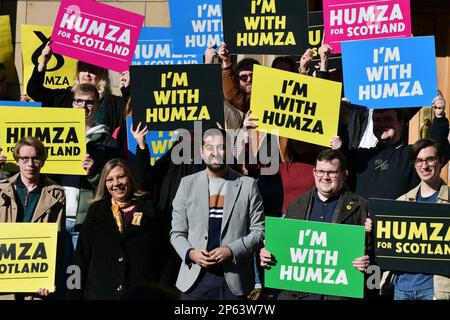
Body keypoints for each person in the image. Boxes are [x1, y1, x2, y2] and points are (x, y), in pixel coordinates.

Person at [259, 149, 371, 300]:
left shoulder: (361, 207)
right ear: (314, 173)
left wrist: (366, 261)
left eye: (332, 172)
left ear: (344, 175)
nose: (325, 177)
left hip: (338, 295)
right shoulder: (295, 205)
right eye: (320, 171)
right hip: (296, 294)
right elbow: (284, 250)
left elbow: (373, 254)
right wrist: (268, 253)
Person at [170, 127, 265, 300]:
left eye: (221, 147)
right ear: (201, 151)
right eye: (209, 147)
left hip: (234, 281)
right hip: (194, 280)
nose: (215, 152)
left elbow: (259, 231)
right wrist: (190, 253)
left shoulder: (248, 185)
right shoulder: (186, 184)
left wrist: (231, 250)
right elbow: (177, 232)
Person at [68, 158, 170, 300]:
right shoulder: (95, 213)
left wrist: (161, 292)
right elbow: (79, 260)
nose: (116, 183)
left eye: (121, 177)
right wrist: (73, 296)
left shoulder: (150, 210)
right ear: (104, 183)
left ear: (130, 178)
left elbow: (167, 258)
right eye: (110, 179)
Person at [48, 83, 120, 250]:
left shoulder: (108, 143)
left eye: (89, 102)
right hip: (55, 218)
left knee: (80, 274)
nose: (83, 106)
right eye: (79, 101)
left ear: (97, 105)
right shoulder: (53, 133)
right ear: (73, 104)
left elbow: (114, 186)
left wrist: (94, 172)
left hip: (85, 222)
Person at [379, 139, 450, 300]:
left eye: (430, 159)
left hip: (434, 290)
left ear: (441, 161)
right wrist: (374, 228)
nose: (424, 166)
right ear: (414, 164)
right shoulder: (401, 202)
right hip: (401, 288)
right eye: (419, 161)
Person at [0, 136, 66, 299]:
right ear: (17, 161)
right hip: (6, 276)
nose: (30, 164)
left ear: (43, 161)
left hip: (36, 278)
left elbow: (57, 240)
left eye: (35, 158)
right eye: (25, 158)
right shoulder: (1, 190)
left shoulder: (56, 193)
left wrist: (49, 277)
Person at [27, 40, 127, 132]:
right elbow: (34, 91)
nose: (87, 74)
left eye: (92, 71)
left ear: (101, 77)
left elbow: (133, 108)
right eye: (83, 69)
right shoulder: (65, 97)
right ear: (78, 75)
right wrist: (44, 61)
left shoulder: (113, 103)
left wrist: (128, 84)